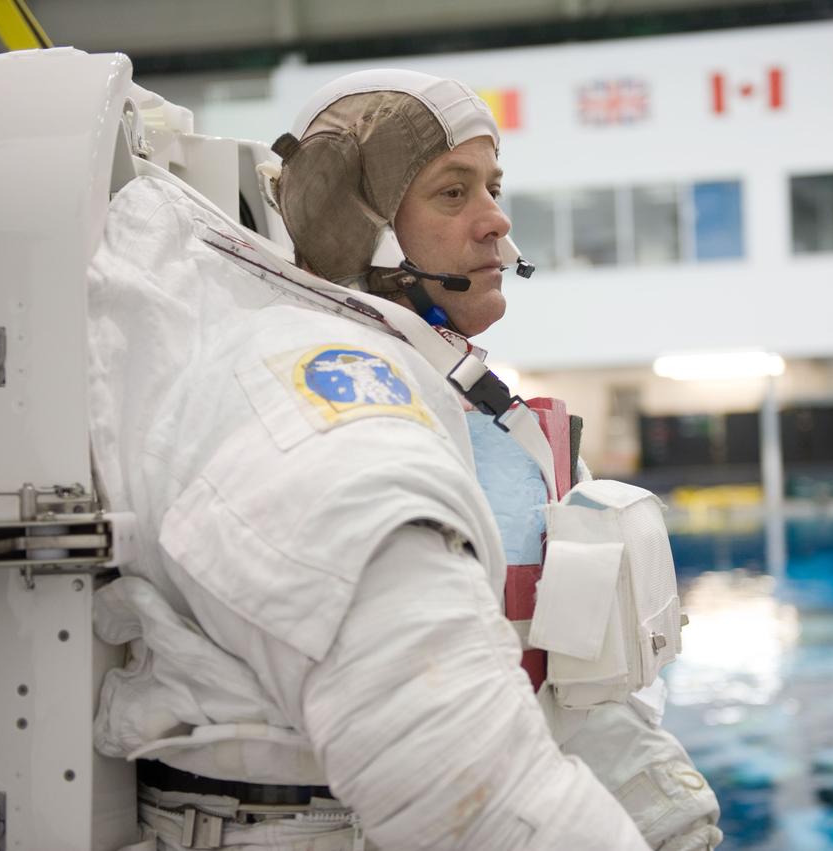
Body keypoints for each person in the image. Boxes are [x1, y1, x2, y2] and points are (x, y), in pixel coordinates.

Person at [87, 68, 722, 851]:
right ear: (352, 223)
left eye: (493, 185)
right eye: (453, 193)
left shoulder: (473, 411)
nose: (495, 220)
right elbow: (458, 775)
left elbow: (561, 696)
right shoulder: (311, 401)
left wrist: (675, 822)